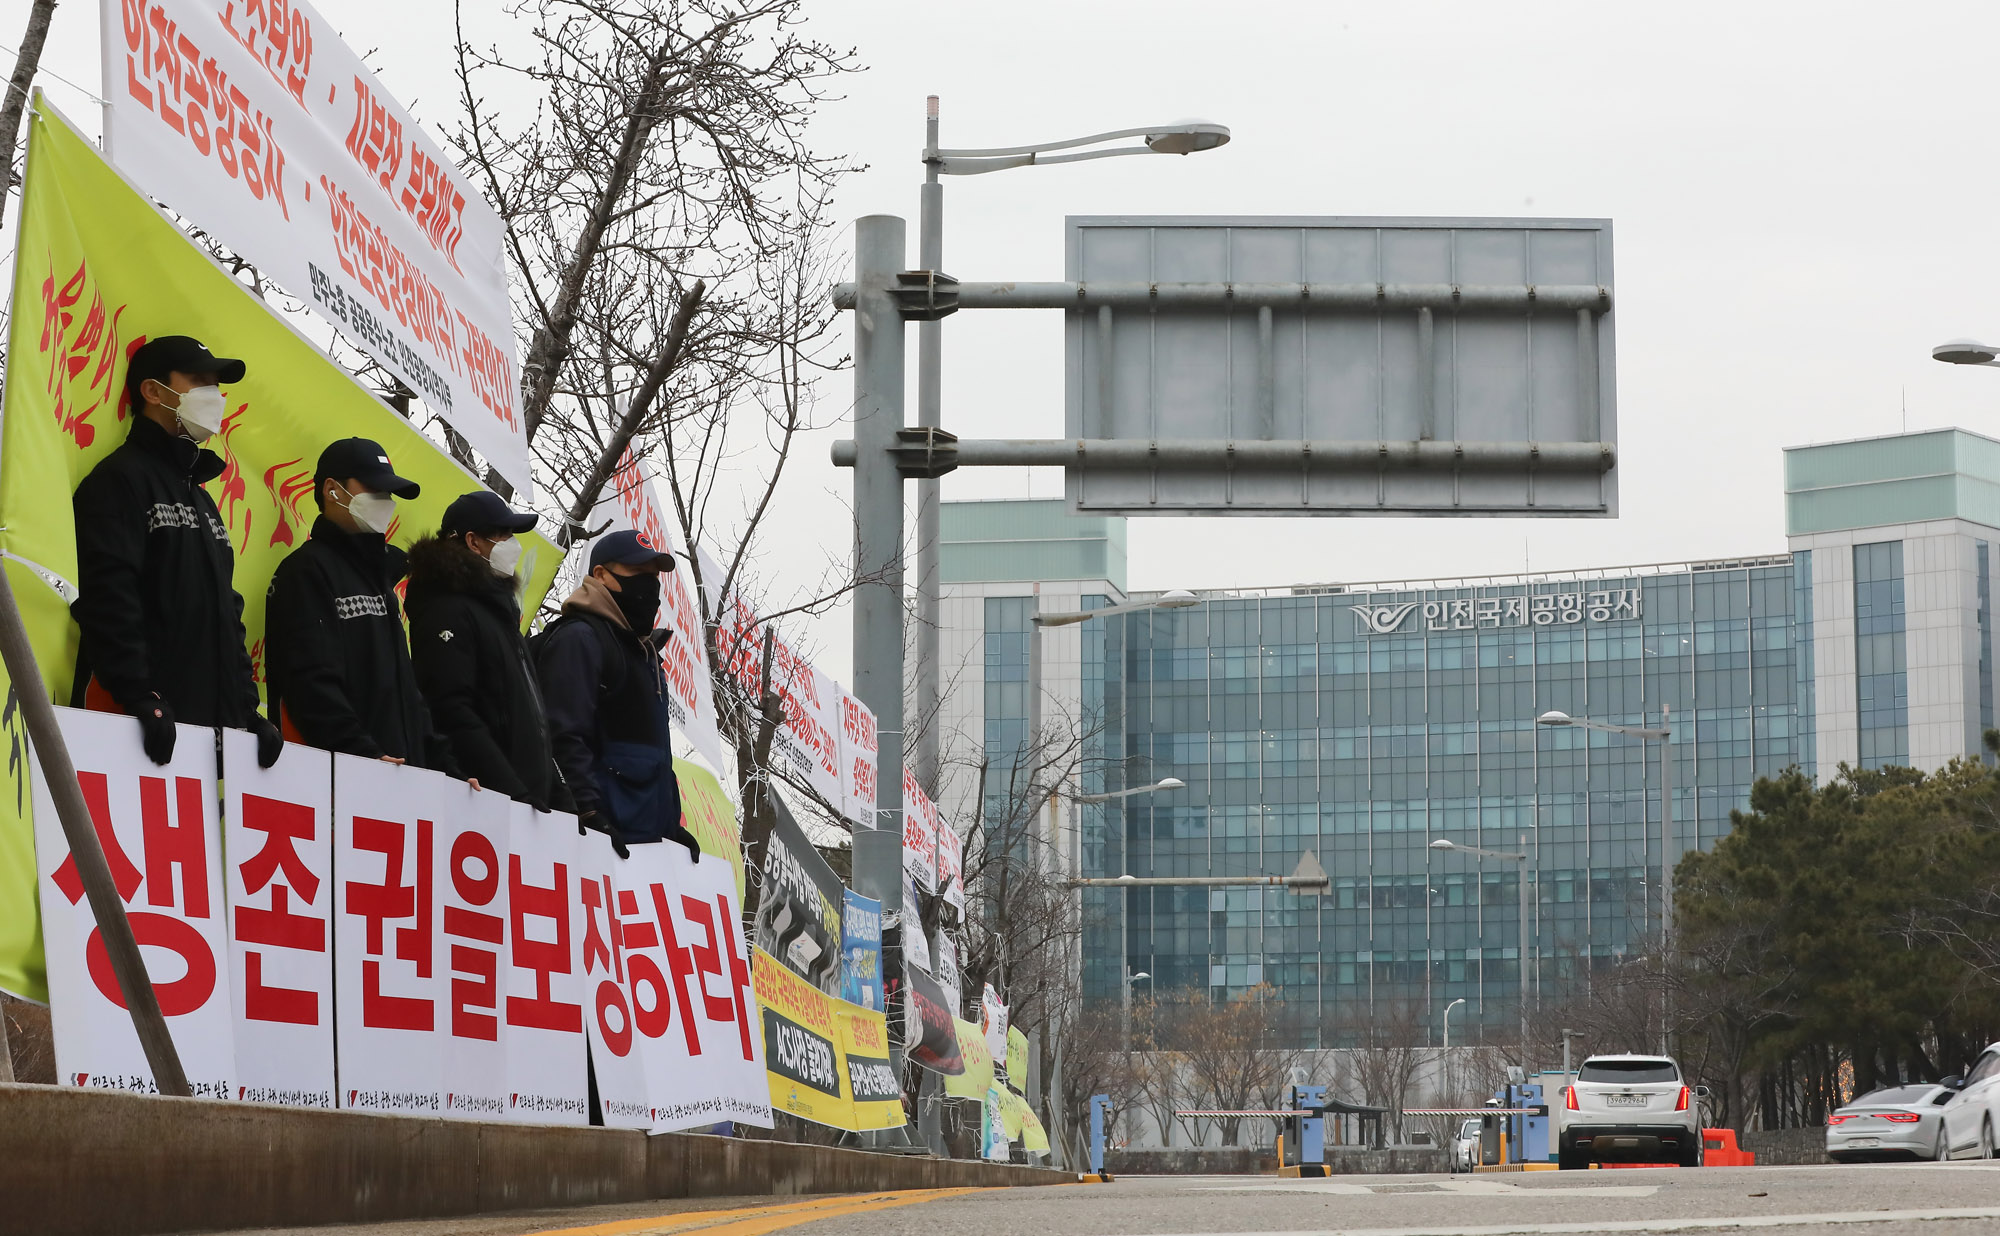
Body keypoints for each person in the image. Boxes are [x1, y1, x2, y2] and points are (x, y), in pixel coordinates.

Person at [71, 335, 283, 768]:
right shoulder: (118, 480)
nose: (215, 396)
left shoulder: (202, 498)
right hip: (134, 731)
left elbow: (228, 611)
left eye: (217, 385)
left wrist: (248, 709)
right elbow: (109, 599)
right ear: (153, 391)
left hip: (209, 737)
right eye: (200, 381)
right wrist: (139, 696)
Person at [264, 438, 469, 782]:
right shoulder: (305, 571)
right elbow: (311, 685)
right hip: (339, 785)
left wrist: (446, 769)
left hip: (398, 782)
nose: (384, 502)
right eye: (373, 489)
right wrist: (364, 756)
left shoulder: (381, 580)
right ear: (332, 490)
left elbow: (408, 696)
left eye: (388, 493)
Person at [535, 530, 700, 860]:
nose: (650, 586)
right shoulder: (580, 638)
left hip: (641, 846)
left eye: (654, 576)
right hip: (593, 846)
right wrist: (587, 812)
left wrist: (670, 827)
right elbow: (562, 735)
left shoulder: (644, 654)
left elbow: (652, 759)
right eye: (638, 573)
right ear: (601, 575)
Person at [405, 492, 573, 811]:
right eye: (504, 534)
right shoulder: (446, 609)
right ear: (473, 541)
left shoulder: (499, 614)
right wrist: (510, 790)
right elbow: (451, 710)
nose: (514, 544)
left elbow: (530, 718)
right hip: (483, 804)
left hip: (526, 807)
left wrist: (560, 794)